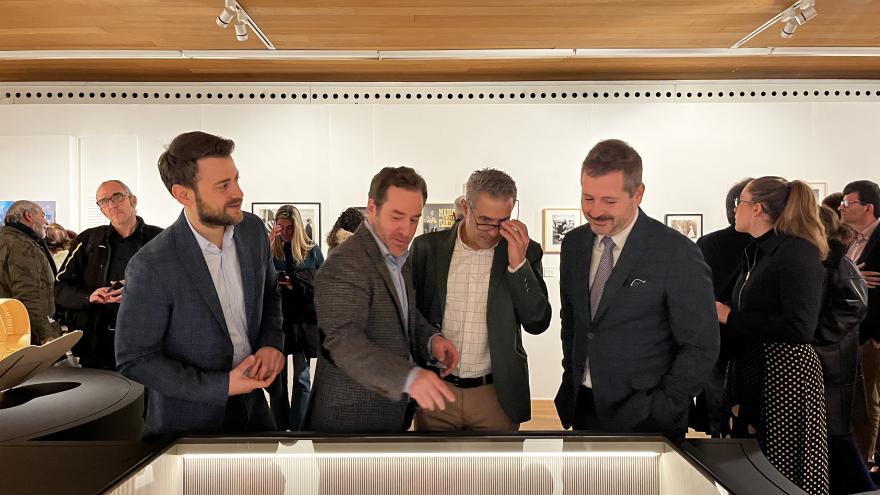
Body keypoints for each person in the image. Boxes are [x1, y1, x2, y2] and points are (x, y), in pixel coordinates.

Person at [115, 131, 285, 439]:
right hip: (187, 426)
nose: (238, 193)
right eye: (223, 185)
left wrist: (272, 343)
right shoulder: (152, 264)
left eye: (236, 179)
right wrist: (223, 386)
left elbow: (270, 294)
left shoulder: (253, 232)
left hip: (255, 414)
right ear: (183, 194)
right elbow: (135, 359)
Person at [554, 139, 719, 440]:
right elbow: (574, 321)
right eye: (588, 198)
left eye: (609, 201)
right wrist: (572, 372)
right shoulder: (574, 245)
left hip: (647, 417)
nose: (595, 211)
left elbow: (701, 345)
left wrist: (664, 405)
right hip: (583, 407)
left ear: (638, 194)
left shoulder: (675, 252)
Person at [305, 166, 459, 433]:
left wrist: (431, 340)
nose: (406, 230)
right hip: (348, 419)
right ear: (372, 208)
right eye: (397, 217)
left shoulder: (399, 257)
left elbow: (405, 315)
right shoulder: (346, 262)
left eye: (414, 219)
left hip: (389, 414)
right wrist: (409, 378)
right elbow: (343, 342)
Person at [410, 168, 551, 431]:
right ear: (466, 206)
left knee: (498, 473)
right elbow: (410, 314)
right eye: (485, 220)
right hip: (437, 390)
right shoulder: (428, 248)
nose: (494, 231)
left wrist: (518, 264)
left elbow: (537, 321)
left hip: (496, 394)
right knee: (433, 472)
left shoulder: (525, 251)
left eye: (503, 221)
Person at [716, 176, 829, 494]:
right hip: (753, 369)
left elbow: (799, 327)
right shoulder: (759, 252)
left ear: (758, 208)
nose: (735, 210)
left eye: (741, 203)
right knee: (748, 462)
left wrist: (730, 317)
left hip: (784, 377)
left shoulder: (796, 252)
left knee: (780, 464)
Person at [54, 180, 162, 370]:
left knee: (144, 396)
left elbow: (179, 289)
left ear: (133, 201)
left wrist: (137, 290)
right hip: (95, 344)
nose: (111, 204)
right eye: (103, 201)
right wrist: (90, 296)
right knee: (99, 398)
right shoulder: (87, 240)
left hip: (147, 342)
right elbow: (60, 288)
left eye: (117, 197)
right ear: (101, 209)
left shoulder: (160, 240)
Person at [815, 204, 875, 494]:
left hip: (832, 363)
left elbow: (853, 306)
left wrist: (813, 337)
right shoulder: (825, 258)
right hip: (828, 361)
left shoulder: (836, 260)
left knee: (838, 440)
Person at [689, 178, 753, 437]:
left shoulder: (708, 243)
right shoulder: (768, 245)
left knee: (719, 415)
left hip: (719, 338)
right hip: (742, 338)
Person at [266, 204, 324, 431]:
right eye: (282, 227)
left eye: (290, 227)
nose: (286, 232)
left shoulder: (312, 251)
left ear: (298, 227)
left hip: (302, 323)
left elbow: (324, 286)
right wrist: (268, 243)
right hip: (278, 323)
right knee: (277, 382)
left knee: (302, 378)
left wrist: (297, 282)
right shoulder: (270, 250)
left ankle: (299, 430)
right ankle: (280, 430)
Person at [839, 180, 880, 465]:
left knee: (869, 401)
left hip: (872, 333)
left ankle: (868, 463)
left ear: (868, 207)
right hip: (851, 332)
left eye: (848, 202)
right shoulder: (850, 239)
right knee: (860, 402)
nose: (842, 207)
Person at [0, 200, 60, 344]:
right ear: (28, 216)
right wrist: (46, 335)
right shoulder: (22, 245)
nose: (46, 221)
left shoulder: (6, 239)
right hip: (22, 334)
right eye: (43, 215)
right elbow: (28, 294)